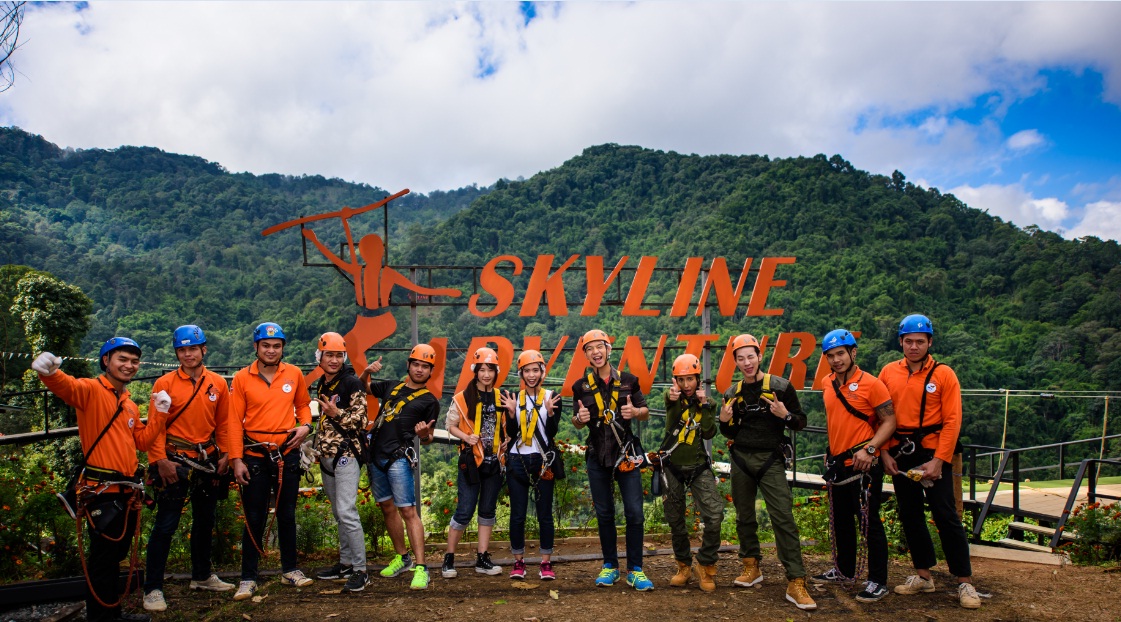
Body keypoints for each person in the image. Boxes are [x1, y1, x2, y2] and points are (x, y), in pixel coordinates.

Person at [34, 337, 165, 622]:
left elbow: (142, 442)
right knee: (103, 557)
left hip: (126, 489)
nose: (129, 366)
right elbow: (67, 386)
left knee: (115, 552)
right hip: (102, 490)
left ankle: (110, 611)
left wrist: (159, 413)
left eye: (133, 361)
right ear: (106, 361)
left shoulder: (128, 404)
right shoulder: (91, 391)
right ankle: (102, 616)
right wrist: (49, 372)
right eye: (122, 359)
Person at [878, 314, 980, 609]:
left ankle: (965, 582)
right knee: (910, 514)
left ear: (930, 342)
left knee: (946, 514)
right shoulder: (889, 372)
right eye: (908, 341)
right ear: (900, 342)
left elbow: (952, 420)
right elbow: (881, 416)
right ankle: (923, 575)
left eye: (919, 342)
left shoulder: (943, 375)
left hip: (934, 451)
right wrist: (883, 451)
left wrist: (939, 460)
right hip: (900, 451)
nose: (913, 346)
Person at [720, 334, 816, 611]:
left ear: (760, 356)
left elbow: (799, 422)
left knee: (783, 517)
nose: (747, 362)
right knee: (745, 516)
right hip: (741, 458)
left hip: (770, 459)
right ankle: (751, 566)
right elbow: (729, 431)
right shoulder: (732, 393)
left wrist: (784, 414)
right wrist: (724, 423)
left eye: (751, 356)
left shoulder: (780, 387)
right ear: (736, 362)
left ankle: (796, 580)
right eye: (741, 358)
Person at [142, 325, 234, 613]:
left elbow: (224, 422)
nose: (188, 354)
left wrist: (227, 453)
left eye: (192, 349)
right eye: (182, 350)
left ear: (203, 349)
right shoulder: (164, 384)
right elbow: (154, 425)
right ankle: (153, 587)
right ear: (177, 353)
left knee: (205, 520)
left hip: (206, 458)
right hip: (174, 457)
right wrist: (159, 459)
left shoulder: (217, 383)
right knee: (166, 524)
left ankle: (202, 575)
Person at [228, 322, 314, 601]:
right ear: (256, 347)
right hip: (254, 453)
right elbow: (233, 420)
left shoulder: (294, 374)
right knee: (254, 516)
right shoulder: (242, 378)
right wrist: (236, 459)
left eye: (276, 346)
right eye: (266, 345)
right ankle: (248, 578)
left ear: (282, 348)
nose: (271, 350)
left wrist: (305, 426)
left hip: (286, 451)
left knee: (287, 513)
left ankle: (290, 570)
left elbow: (303, 405)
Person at [811, 329, 896, 603]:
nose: (836, 360)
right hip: (839, 463)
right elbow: (835, 420)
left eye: (841, 354)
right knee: (842, 521)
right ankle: (844, 569)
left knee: (868, 522)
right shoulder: (827, 383)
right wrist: (830, 450)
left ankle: (877, 580)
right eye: (831, 356)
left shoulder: (872, 384)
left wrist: (871, 449)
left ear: (853, 353)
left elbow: (889, 422)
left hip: (864, 464)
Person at [571, 329, 654, 591]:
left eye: (600, 347)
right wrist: (578, 420)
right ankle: (610, 565)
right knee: (604, 513)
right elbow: (577, 419)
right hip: (597, 455)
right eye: (590, 348)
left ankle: (635, 569)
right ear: (585, 354)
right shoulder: (580, 386)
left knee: (635, 512)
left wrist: (635, 411)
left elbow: (645, 412)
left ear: (609, 349)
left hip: (625, 455)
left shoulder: (629, 381)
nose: (596, 352)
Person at [364, 344, 440, 590]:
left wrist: (424, 434)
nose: (419, 369)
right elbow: (364, 387)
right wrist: (367, 371)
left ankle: (421, 567)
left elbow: (427, 440)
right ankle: (402, 557)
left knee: (408, 511)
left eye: (425, 367)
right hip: (376, 454)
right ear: (408, 365)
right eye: (416, 364)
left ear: (431, 372)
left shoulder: (430, 401)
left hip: (398, 457)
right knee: (387, 507)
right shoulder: (390, 386)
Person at [657, 354, 723, 592]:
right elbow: (670, 403)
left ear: (698, 379)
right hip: (672, 466)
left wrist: (706, 407)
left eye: (690, 379)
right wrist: (671, 396)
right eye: (681, 380)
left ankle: (705, 564)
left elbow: (707, 433)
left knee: (714, 515)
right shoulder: (672, 399)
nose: (686, 385)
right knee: (675, 520)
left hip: (697, 466)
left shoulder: (709, 403)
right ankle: (683, 564)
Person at [310, 332, 371, 592]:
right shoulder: (323, 384)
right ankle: (346, 563)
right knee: (339, 513)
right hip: (327, 455)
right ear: (320, 357)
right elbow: (324, 423)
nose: (333, 360)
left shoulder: (352, 383)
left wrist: (337, 412)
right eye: (329, 355)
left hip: (346, 454)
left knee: (347, 511)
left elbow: (360, 420)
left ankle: (361, 570)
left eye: (338, 355)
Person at [443, 347, 509, 579]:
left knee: (487, 510)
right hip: (472, 460)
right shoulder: (463, 398)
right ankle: (449, 557)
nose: (486, 375)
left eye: (490, 370)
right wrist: (466, 437)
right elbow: (450, 424)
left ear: (496, 372)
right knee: (465, 510)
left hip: (495, 462)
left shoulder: (501, 396)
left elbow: (506, 427)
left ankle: (482, 557)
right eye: (482, 370)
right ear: (476, 371)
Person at [501, 350, 563, 581]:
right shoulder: (513, 398)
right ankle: (518, 561)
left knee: (544, 514)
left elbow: (552, 433)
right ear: (521, 373)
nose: (531, 375)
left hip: (542, 461)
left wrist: (549, 412)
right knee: (517, 515)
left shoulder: (553, 396)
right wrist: (510, 414)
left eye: (535, 370)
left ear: (542, 372)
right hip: (517, 459)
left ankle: (545, 563)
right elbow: (512, 433)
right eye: (527, 371)